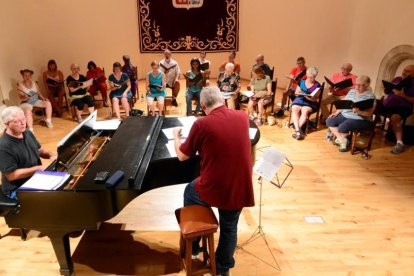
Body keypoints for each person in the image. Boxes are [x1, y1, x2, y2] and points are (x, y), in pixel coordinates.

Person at [173, 86, 254, 275]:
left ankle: (194, 247)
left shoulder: (202, 124)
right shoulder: (243, 117)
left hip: (217, 186)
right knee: (229, 227)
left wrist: (176, 136)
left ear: (202, 106)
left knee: (190, 190)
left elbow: (182, 156)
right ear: (223, 100)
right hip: (241, 186)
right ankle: (223, 268)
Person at [0, 106, 55, 200]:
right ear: (6, 124)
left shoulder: (27, 133)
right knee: (54, 197)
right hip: (17, 189)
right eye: (16, 121)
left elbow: (39, 150)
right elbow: (12, 175)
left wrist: (52, 155)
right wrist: (38, 169)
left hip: (35, 178)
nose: (22, 123)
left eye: (23, 119)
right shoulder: (3, 146)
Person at [326, 75, 376, 152]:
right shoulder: (352, 91)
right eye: (356, 84)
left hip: (359, 118)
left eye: (360, 85)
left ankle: (342, 141)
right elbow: (344, 103)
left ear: (367, 85)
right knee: (329, 121)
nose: (356, 87)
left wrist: (359, 111)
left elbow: (369, 114)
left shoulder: (370, 96)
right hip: (345, 114)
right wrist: (337, 112)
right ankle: (342, 140)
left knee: (342, 127)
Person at [380, 65, 414, 154]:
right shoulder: (397, 79)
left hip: (404, 107)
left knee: (395, 118)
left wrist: (403, 96)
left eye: (408, 71)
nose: (404, 72)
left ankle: (399, 143)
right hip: (389, 103)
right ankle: (365, 128)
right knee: (373, 105)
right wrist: (386, 89)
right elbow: (387, 91)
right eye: (404, 70)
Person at [290, 67, 321, 140]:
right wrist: (300, 94)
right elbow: (296, 93)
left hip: (310, 102)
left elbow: (315, 99)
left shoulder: (317, 85)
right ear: (306, 74)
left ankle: (297, 130)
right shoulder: (301, 82)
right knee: (294, 109)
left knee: (304, 111)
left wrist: (307, 96)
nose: (309, 79)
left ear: (315, 76)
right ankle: (298, 130)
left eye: (312, 77)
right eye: (308, 76)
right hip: (299, 99)